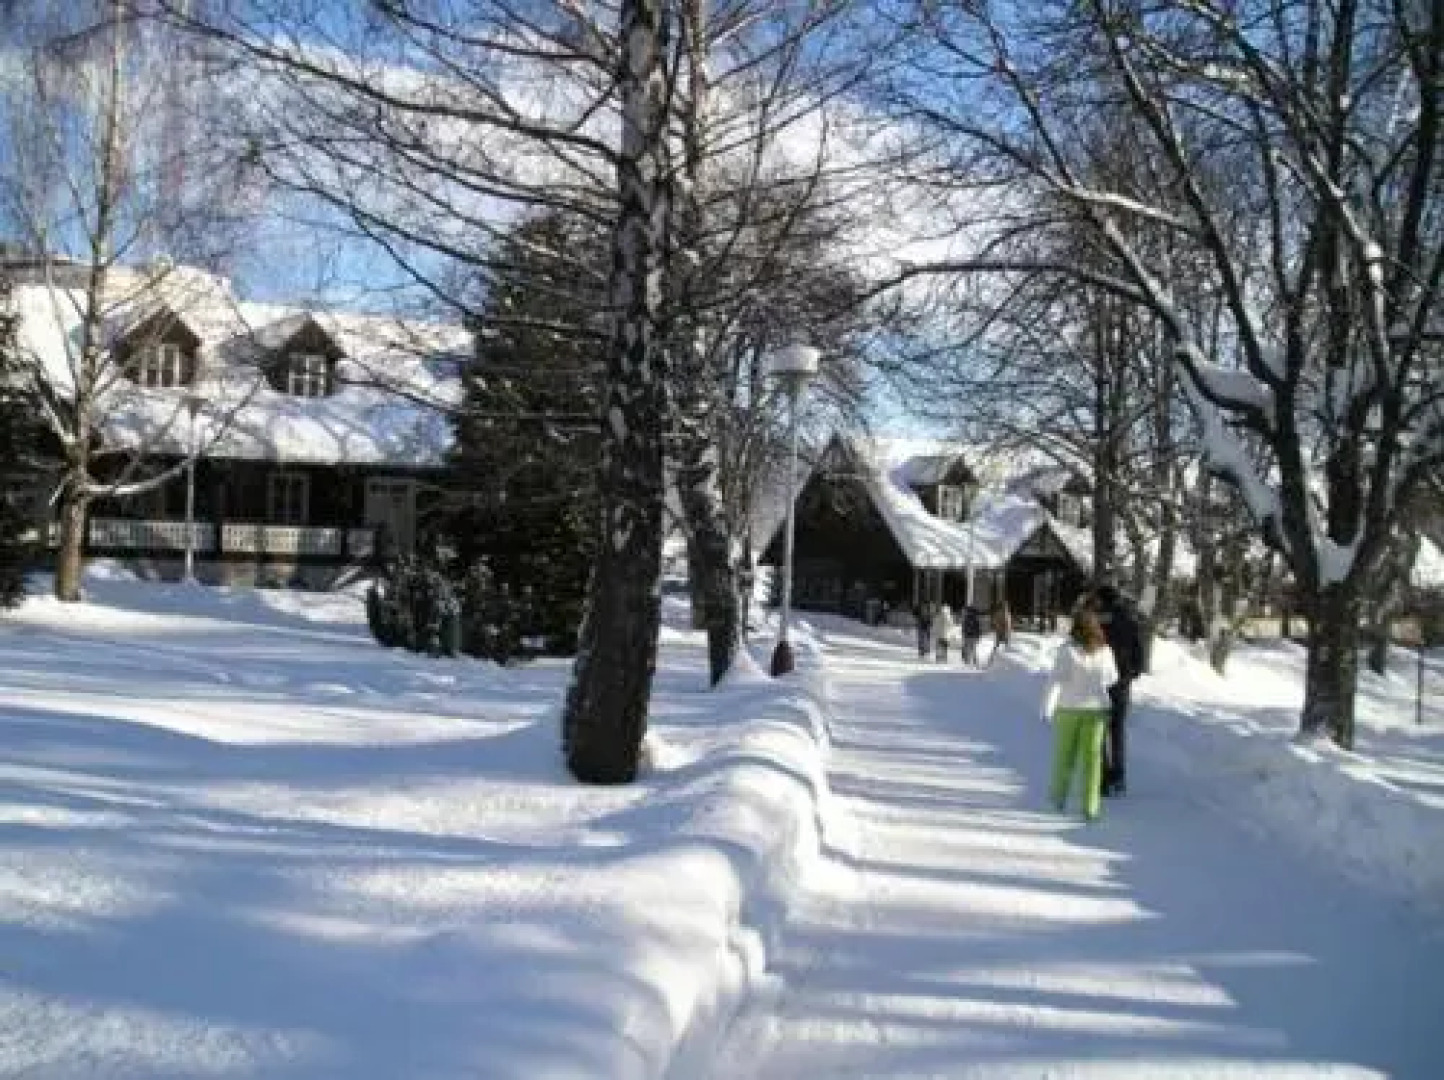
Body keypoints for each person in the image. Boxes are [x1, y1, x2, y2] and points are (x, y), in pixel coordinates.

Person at [1040, 607, 1119, 821]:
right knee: (1093, 761)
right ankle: (1090, 807)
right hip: (1096, 710)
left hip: (1068, 709)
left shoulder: (1066, 651)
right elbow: (1112, 678)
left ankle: (1058, 798)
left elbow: (1054, 680)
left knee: (1064, 757)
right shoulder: (1106, 651)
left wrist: (1045, 708)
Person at [1090, 583, 1147, 797]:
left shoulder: (1096, 622)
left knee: (1099, 731)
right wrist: (1133, 673)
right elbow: (1139, 652)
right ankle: (1119, 776)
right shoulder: (1130, 621)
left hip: (1099, 682)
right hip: (1122, 683)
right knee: (1118, 730)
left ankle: (1102, 777)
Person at [986, 598, 1013, 666]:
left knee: (1004, 647)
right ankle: (992, 661)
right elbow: (995, 622)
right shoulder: (999, 613)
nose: (1006, 607)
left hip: (1005, 633)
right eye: (1004, 605)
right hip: (1001, 633)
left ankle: (1004, 661)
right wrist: (1000, 628)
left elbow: (1008, 623)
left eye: (1006, 606)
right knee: (998, 647)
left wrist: (1009, 630)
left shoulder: (1007, 613)